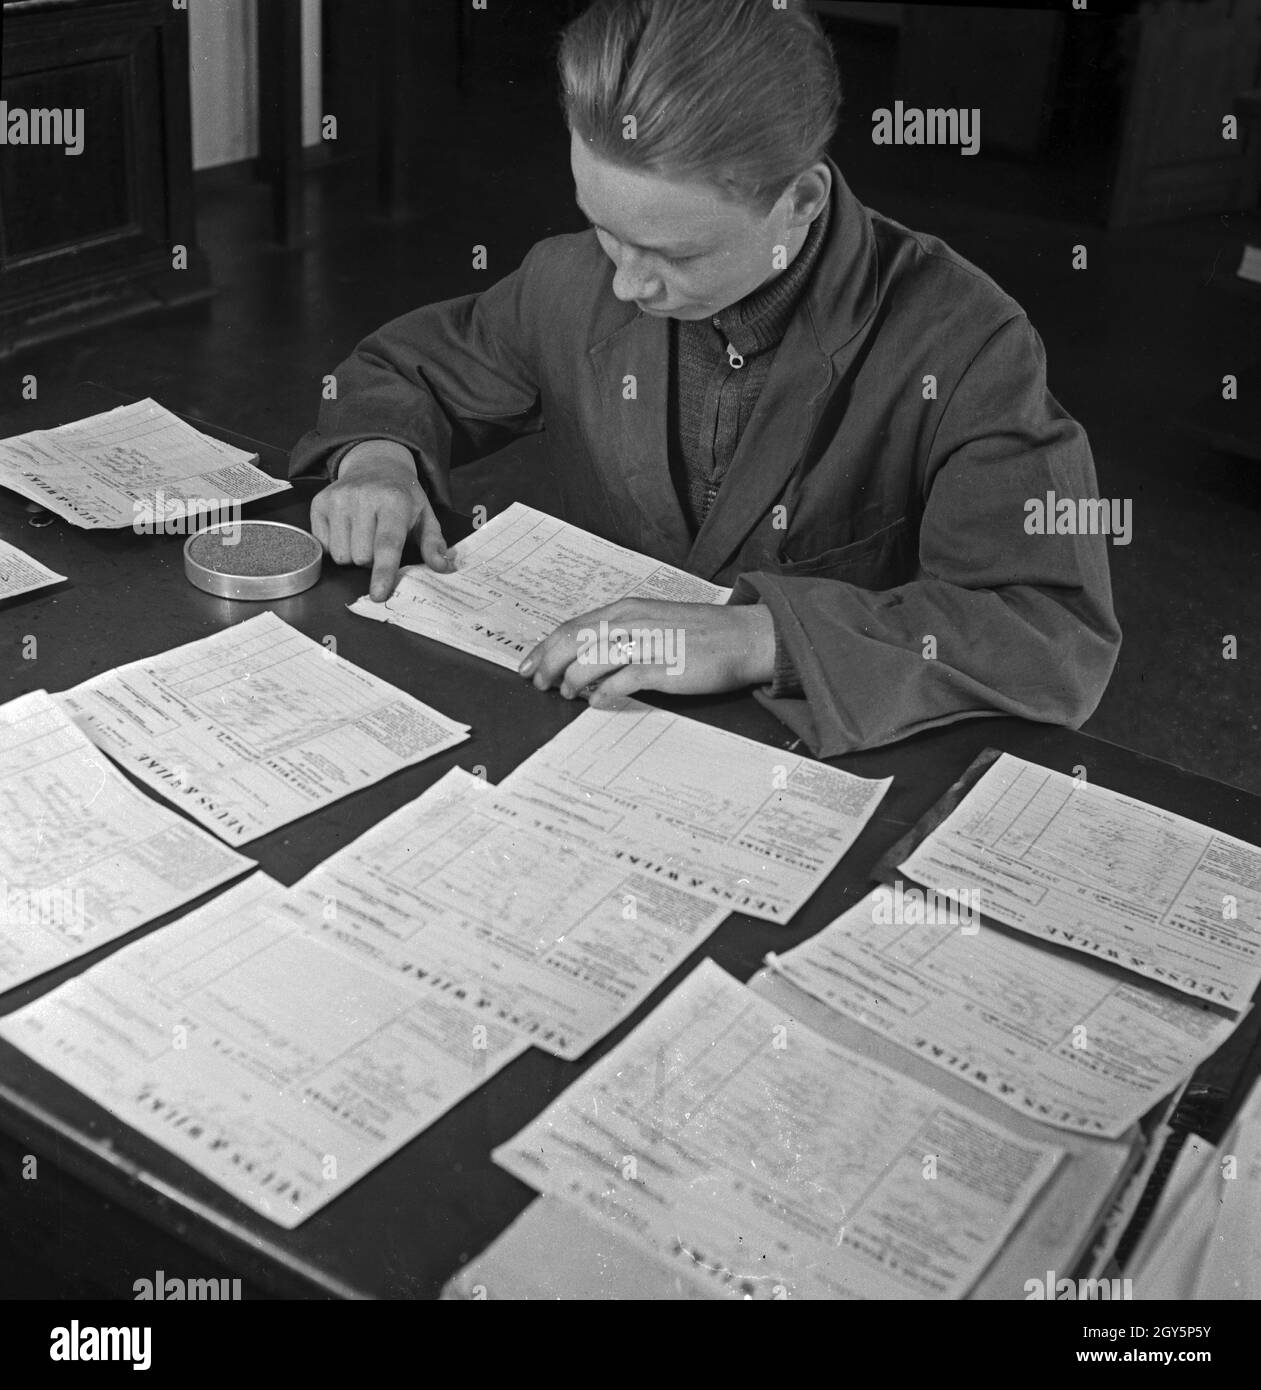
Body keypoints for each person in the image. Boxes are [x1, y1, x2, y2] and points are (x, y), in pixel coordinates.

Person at [289, 0, 1120, 758]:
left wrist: (758, 638)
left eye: (675, 253)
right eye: (601, 226)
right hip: (594, 736)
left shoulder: (965, 340)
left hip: (819, 760)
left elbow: (1048, 630)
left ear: (798, 202)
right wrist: (377, 461)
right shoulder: (572, 278)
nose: (625, 285)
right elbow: (412, 370)